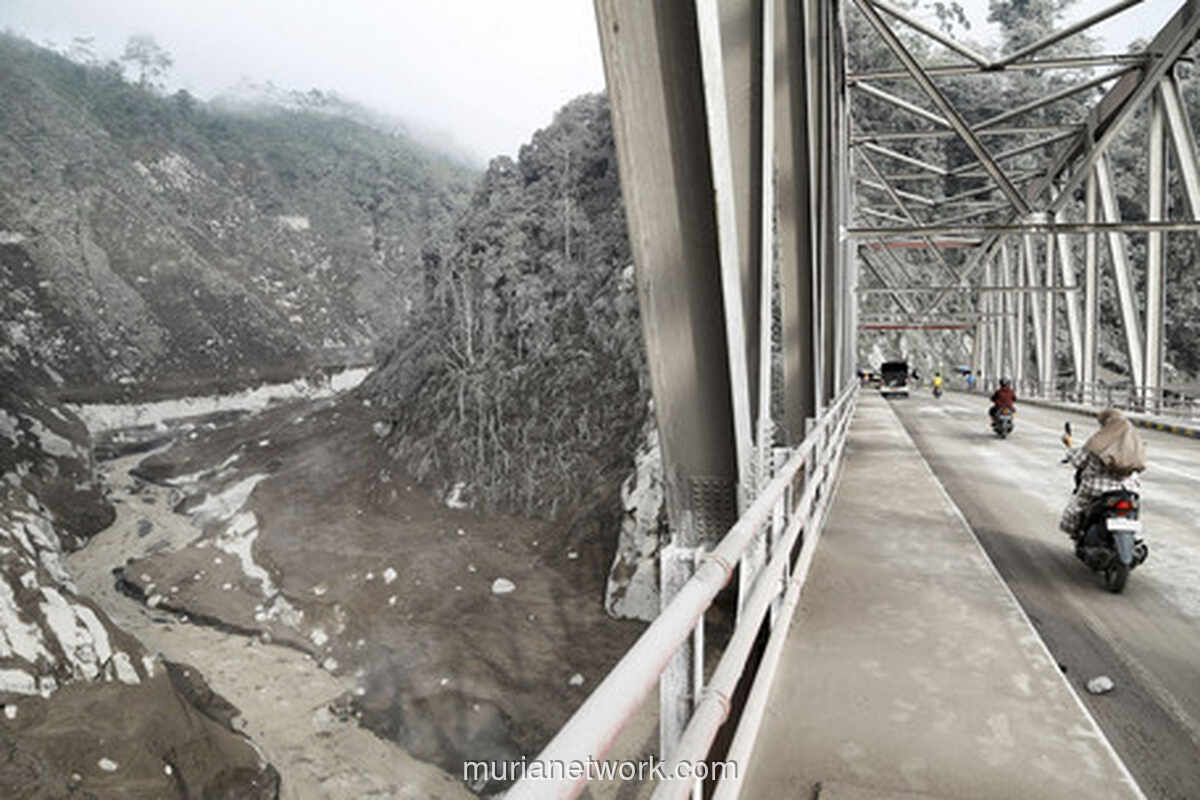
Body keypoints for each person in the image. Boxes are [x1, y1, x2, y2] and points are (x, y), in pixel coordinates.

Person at [1058, 409, 1146, 537]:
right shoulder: (1136, 445)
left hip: (1098, 489)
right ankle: (1136, 538)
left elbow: (1078, 461)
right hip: (1128, 490)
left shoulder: (1097, 442)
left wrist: (1069, 448)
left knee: (1075, 509)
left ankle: (1076, 533)